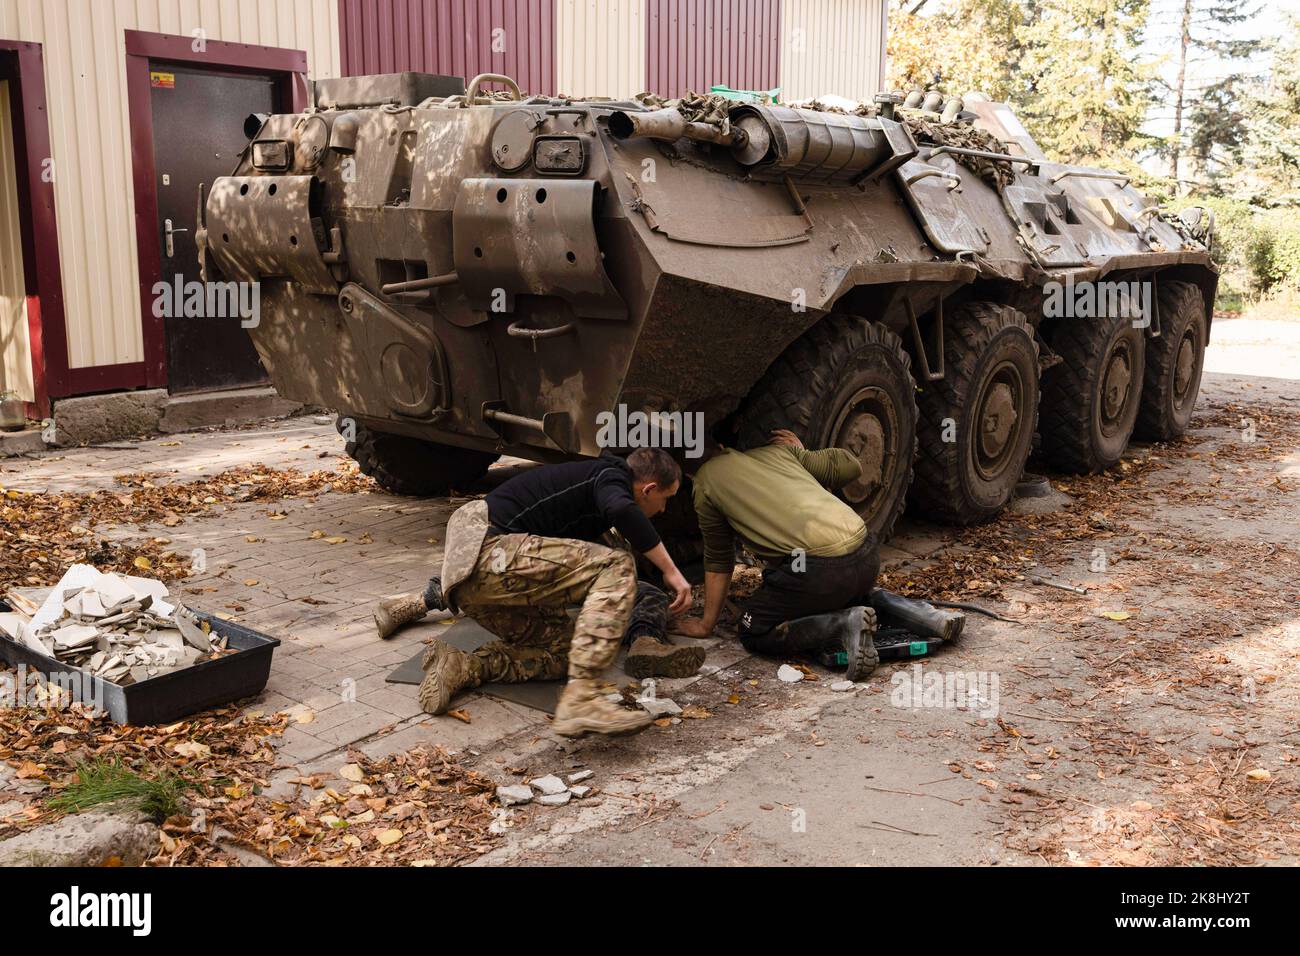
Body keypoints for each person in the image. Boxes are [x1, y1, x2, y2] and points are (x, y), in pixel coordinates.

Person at [373, 448, 699, 736]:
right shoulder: (609, 477)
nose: (665, 510)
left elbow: (586, 580)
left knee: (565, 655)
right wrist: (673, 572)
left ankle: (461, 665)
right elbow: (621, 517)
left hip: (475, 583)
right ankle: (584, 699)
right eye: (666, 499)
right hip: (486, 549)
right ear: (649, 488)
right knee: (616, 566)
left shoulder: (588, 503)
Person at [673, 430, 880, 680]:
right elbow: (851, 467)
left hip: (822, 573)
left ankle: (842, 625)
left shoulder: (704, 483)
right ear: (721, 445)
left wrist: (705, 625)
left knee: (752, 629)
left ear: (684, 473)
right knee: (802, 580)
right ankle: (914, 613)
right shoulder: (780, 451)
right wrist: (802, 455)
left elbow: (719, 560)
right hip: (867, 553)